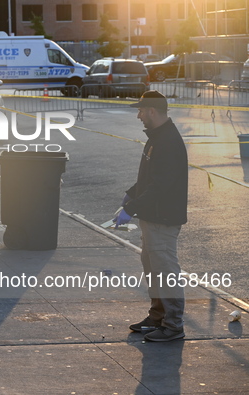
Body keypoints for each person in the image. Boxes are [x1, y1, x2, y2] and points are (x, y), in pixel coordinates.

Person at [114, 90, 188, 342]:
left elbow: (160, 186)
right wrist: (130, 196)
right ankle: (157, 316)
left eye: (141, 111)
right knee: (153, 269)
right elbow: (147, 178)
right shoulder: (156, 137)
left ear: (152, 112)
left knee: (165, 271)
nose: (138, 116)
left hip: (163, 219)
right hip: (152, 216)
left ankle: (173, 325)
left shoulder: (167, 141)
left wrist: (130, 208)